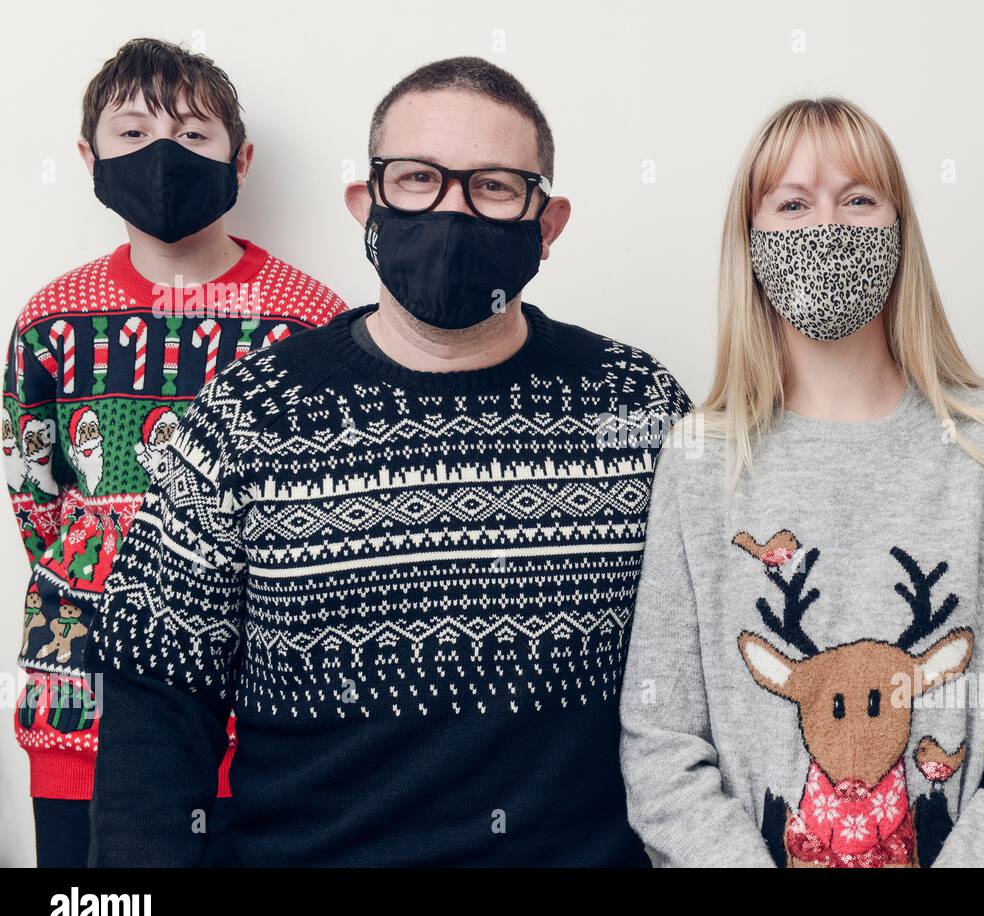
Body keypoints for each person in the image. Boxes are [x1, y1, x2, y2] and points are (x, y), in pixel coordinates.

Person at [83, 56, 691, 866]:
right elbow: (157, 706)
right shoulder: (246, 417)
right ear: (365, 206)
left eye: (496, 187)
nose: (453, 208)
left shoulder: (638, 406)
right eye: (417, 179)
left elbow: (703, 682)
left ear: (549, 223)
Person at [618, 97, 984, 868]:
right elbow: (662, 742)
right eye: (793, 204)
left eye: (858, 198)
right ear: (751, 239)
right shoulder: (700, 459)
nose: (825, 228)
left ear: (900, 228)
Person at [1, 37, 346, 868]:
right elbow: (34, 493)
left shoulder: (310, 322)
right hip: (84, 711)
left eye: (193, 135)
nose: (162, 154)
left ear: (241, 158)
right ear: (88, 156)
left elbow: (331, 517)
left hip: (264, 728)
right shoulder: (52, 321)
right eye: (131, 133)